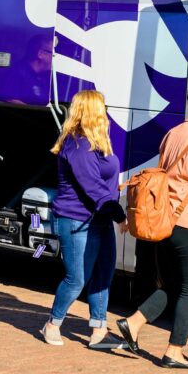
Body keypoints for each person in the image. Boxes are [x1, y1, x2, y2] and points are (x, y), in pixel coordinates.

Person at [115, 80, 188, 369]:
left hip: (168, 222)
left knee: (175, 285)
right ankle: (174, 351)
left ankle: (132, 324)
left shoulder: (173, 133)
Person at [41, 90, 128, 350]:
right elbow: (92, 185)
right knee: (76, 278)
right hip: (77, 221)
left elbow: (103, 181)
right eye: (102, 107)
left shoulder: (97, 143)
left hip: (98, 220)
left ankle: (99, 331)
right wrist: (119, 213)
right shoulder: (76, 144)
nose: (106, 113)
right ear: (92, 112)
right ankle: (52, 324)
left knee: (103, 273)